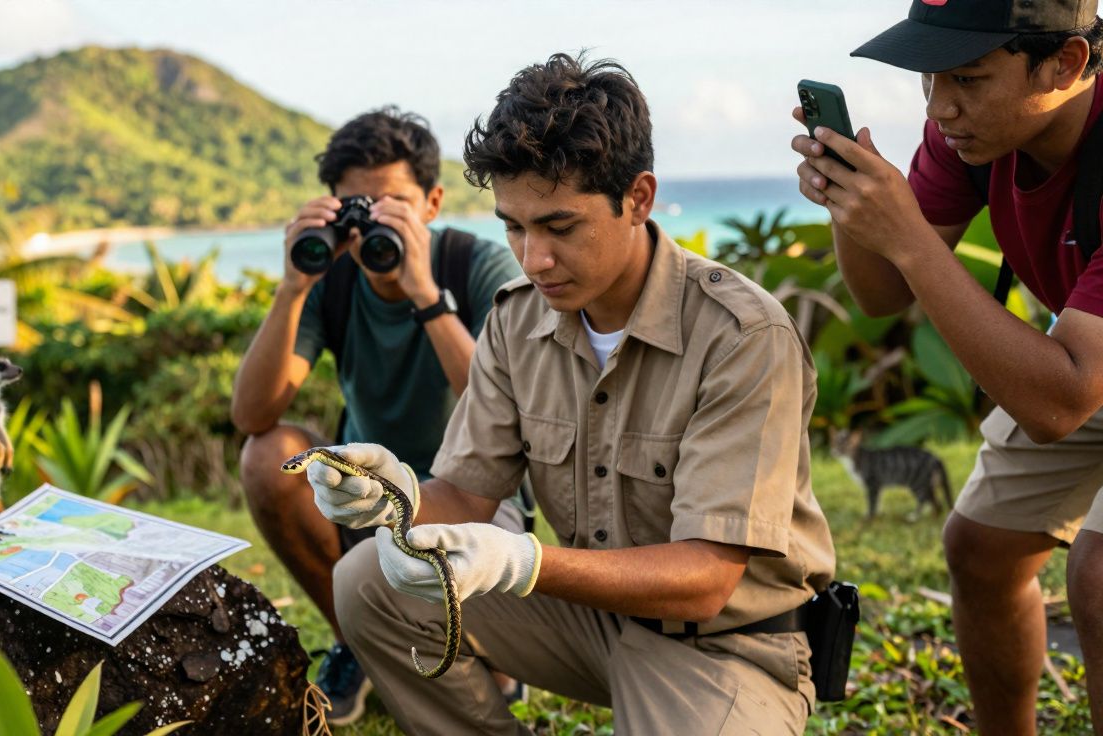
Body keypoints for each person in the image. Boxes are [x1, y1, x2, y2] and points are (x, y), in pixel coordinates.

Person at [304, 53, 836, 734]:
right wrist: (393, 495)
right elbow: (465, 495)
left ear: (638, 198)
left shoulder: (741, 335)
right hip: (588, 620)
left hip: (727, 644)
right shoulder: (516, 319)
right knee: (366, 582)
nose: (534, 259)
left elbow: (707, 578)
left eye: (560, 227)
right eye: (513, 226)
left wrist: (523, 561)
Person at [791, 2, 1103, 732]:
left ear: (1066, 63)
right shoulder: (972, 138)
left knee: (1097, 577)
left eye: (967, 78)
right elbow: (881, 295)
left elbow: (1059, 405)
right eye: (930, 79)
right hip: (1089, 348)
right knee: (982, 548)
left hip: (1081, 364)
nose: (939, 108)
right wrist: (852, 205)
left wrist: (908, 237)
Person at [229, 107, 525, 724]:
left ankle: (487, 656)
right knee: (264, 457)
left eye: (393, 206)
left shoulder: (477, 266)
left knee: (481, 658)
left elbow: (504, 409)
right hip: (365, 496)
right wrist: (293, 287)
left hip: (473, 498)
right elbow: (252, 413)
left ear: (433, 202)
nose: (372, 230)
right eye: (357, 210)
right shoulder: (335, 281)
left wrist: (424, 294)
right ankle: (355, 644)